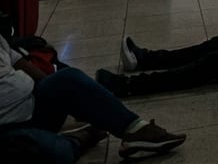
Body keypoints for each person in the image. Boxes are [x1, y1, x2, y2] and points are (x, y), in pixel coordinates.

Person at [0, 35, 186, 161]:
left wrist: (62, 93)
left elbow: (19, 61)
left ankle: (135, 130)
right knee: (55, 152)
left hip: (32, 106)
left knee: (68, 78)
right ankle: (78, 139)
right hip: (8, 130)